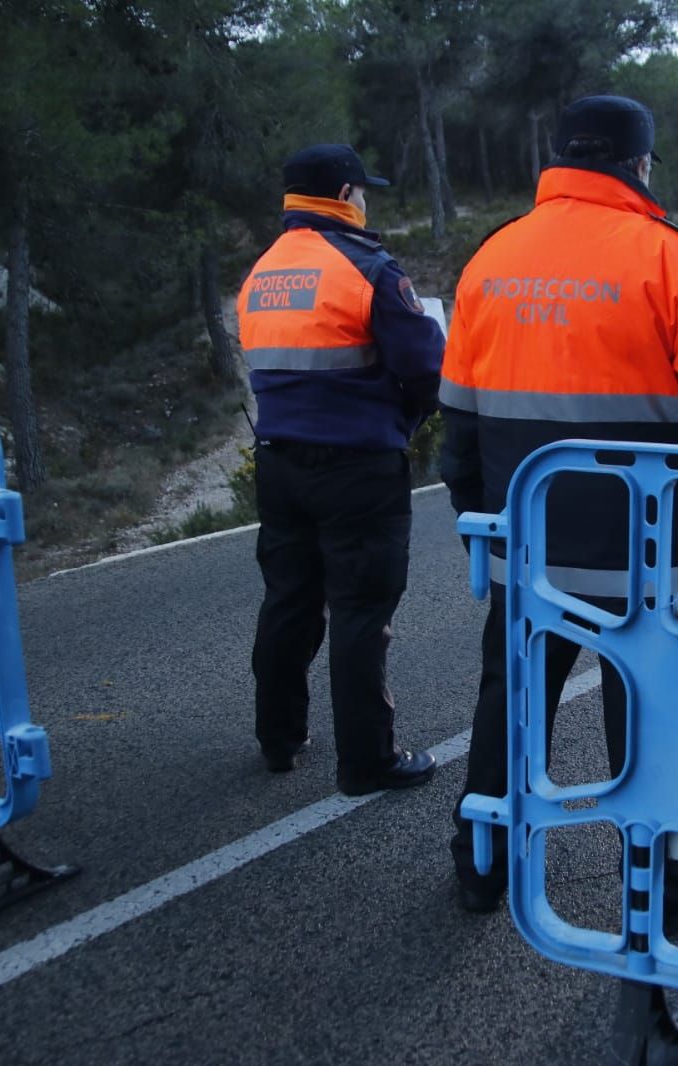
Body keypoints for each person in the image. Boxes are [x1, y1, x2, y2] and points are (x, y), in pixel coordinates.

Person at [438, 95, 678, 923]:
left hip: (528, 545)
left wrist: (482, 520)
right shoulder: (675, 262)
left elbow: (459, 415)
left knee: (512, 703)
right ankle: (669, 880)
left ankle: (481, 864)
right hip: (655, 554)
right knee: (656, 714)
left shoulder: (492, 259)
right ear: (639, 164)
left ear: (557, 160)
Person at [236, 143, 442, 793]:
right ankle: (367, 761)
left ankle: (278, 737)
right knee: (359, 611)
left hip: (277, 464)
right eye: (364, 191)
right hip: (357, 468)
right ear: (347, 195)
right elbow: (428, 370)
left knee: (288, 601)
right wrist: (401, 427)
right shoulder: (366, 268)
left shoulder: (262, 272)